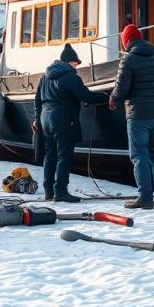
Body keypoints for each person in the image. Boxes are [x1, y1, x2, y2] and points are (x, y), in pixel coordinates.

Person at [33, 43, 108, 202]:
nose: (76, 65)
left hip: (45, 119)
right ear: (69, 62)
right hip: (63, 118)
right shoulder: (70, 76)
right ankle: (60, 191)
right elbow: (86, 96)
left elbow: (37, 100)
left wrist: (36, 118)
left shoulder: (44, 76)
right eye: (75, 62)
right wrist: (106, 97)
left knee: (50, 155)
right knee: (64, 156)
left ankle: (48, 191)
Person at [109, 24, 154, 210]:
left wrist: (113, 98)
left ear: (127, 41)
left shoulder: (129, 60)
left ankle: (144, 197)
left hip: (138, 115)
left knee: (139, 156)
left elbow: (122, 88)